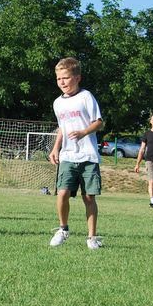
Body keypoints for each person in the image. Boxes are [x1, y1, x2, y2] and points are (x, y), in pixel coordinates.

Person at [47, 57, 104, 250]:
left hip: (88, 155)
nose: (62, 82)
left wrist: (83, 132)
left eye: (65, 78)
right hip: (68, 156)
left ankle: (92, 237)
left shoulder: (86, 97)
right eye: (58, 79)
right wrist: (55, 148)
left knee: (88, 197)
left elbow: (98, 122)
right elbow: (62, 128)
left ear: (77, 78)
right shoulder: (57, 103)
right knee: (62, 192)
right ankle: (63, 229)